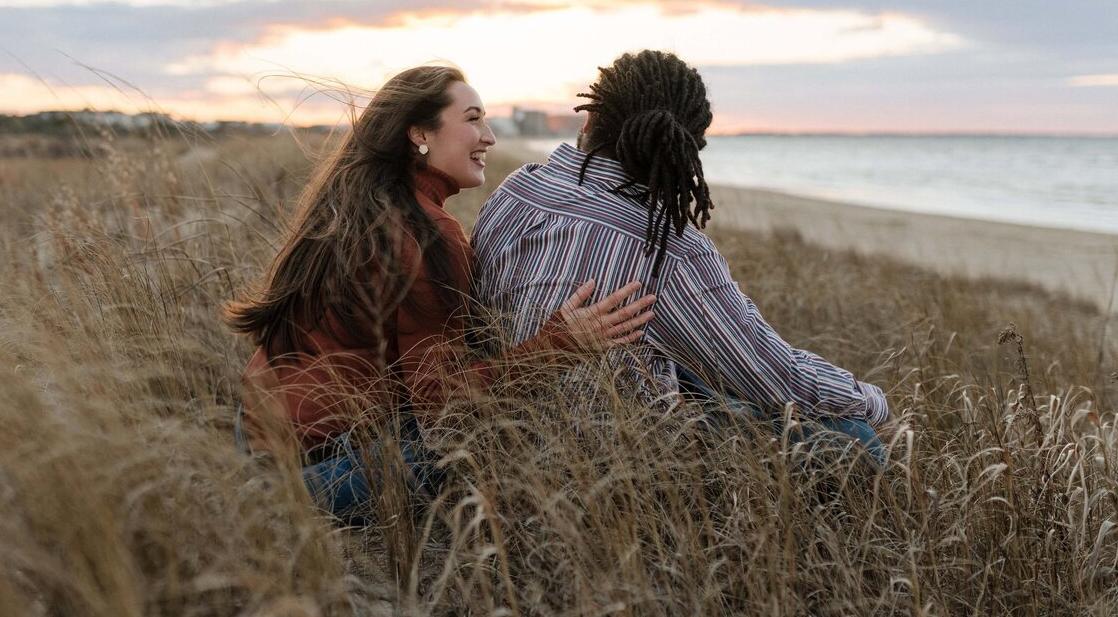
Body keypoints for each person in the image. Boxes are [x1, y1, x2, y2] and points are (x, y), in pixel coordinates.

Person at [224, 65, 656, 518]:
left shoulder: (353, 205)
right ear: (419, 134)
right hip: (306, 474)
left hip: (253, 433)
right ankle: (265, 510)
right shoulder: (427, 234)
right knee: (470, 447)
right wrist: (557, 346)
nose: (489, 136)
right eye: (472, 119)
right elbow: (443, 407)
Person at [471, 50, 890, 464]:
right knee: (854, 440)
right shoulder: (669, 246)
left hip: (495, 430)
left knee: (691, 368)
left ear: (591, 118)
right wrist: (876, 404)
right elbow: (777, 378)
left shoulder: (517, 189)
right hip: (612, 461)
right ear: (684, 150)